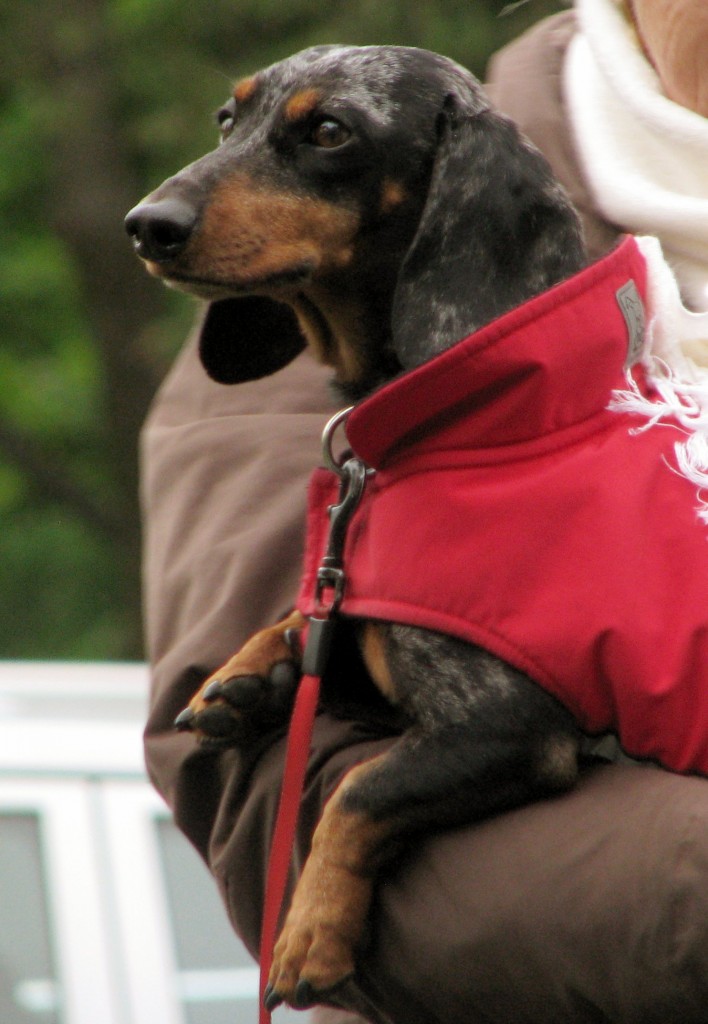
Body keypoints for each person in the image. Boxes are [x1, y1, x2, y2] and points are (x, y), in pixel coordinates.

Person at [141, 1, 708, 1020]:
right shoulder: (347, 352)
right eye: (242, 132)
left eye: (320, 137)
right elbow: (252, 778)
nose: (166, 205)